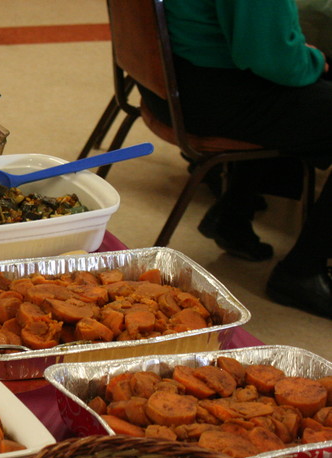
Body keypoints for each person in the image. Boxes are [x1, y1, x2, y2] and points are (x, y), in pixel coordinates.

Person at [138, 0, 332, 319]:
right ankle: (303, 271)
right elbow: (273, 60)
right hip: (210, 96)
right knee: (308, 80)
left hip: (168, 79)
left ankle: (233, 213)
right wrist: (313, 60)